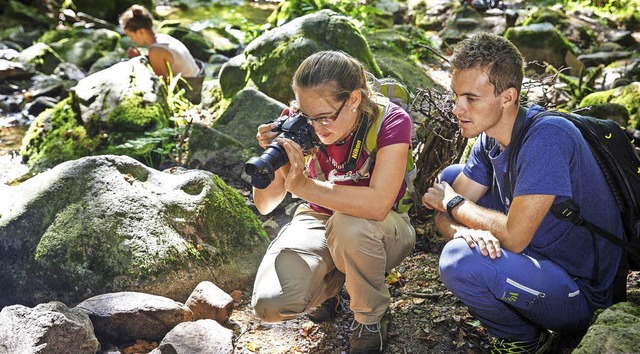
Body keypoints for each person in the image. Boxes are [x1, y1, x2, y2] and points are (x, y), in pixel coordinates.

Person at [422, 32, 624, 353]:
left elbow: (511, 236)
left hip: (582, 293)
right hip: (539, 257)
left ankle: (526, 341)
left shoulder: (547, 138)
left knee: (457, 261)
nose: (457, 108)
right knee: (452, 177)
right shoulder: (489, 138)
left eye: (471, 98)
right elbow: (443, 217)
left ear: (507, 97)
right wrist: (463, 230)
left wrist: (455, 204)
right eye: (456, 95)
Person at [250, 50, 416, 353]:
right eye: (306, 115)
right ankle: (333, 288)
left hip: (378, 228)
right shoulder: (298, 123)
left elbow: (378, 204)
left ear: (353, 99)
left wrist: (304, 186)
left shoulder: (390, 121)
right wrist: (273, 161)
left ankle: (370, 316)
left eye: (325, 117)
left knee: (349, 225)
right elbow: (265, 205)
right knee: (271, 305)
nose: (315, 127)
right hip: (316, 219)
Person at [118, 4, 204, 103]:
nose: (131, 39)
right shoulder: (162, 38)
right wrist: (139, 57)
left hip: (190, 94)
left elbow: (162, 85)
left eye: (131, 35)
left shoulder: (156, 50)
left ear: (140, 31)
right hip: (197, 83)